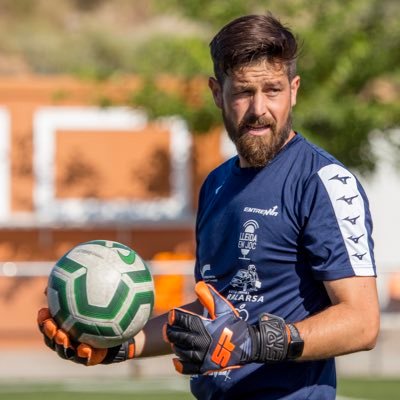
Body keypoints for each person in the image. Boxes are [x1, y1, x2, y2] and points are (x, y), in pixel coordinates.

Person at [37, 12, 380, 400]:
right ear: (218, 93)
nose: (258, 109)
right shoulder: (216, 185)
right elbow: (215, 314)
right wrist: (117, 346)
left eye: (273, 90)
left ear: (294, 90)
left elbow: (362, 322)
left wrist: (253, 342)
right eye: (243, 92)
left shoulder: (323, 182)